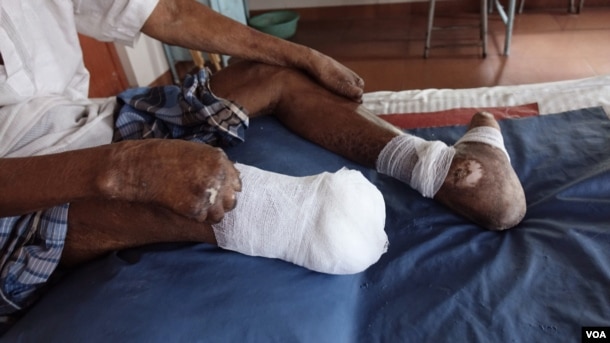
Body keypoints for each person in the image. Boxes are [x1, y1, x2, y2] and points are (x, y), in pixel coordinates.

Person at [0, 0, 526, 317]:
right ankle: (313, 226)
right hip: (17, 197)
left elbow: (168, 12)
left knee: (272, 74)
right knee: (173, 199)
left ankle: (438, 169)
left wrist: (302, 55)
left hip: (80, 126)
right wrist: (125, 169)